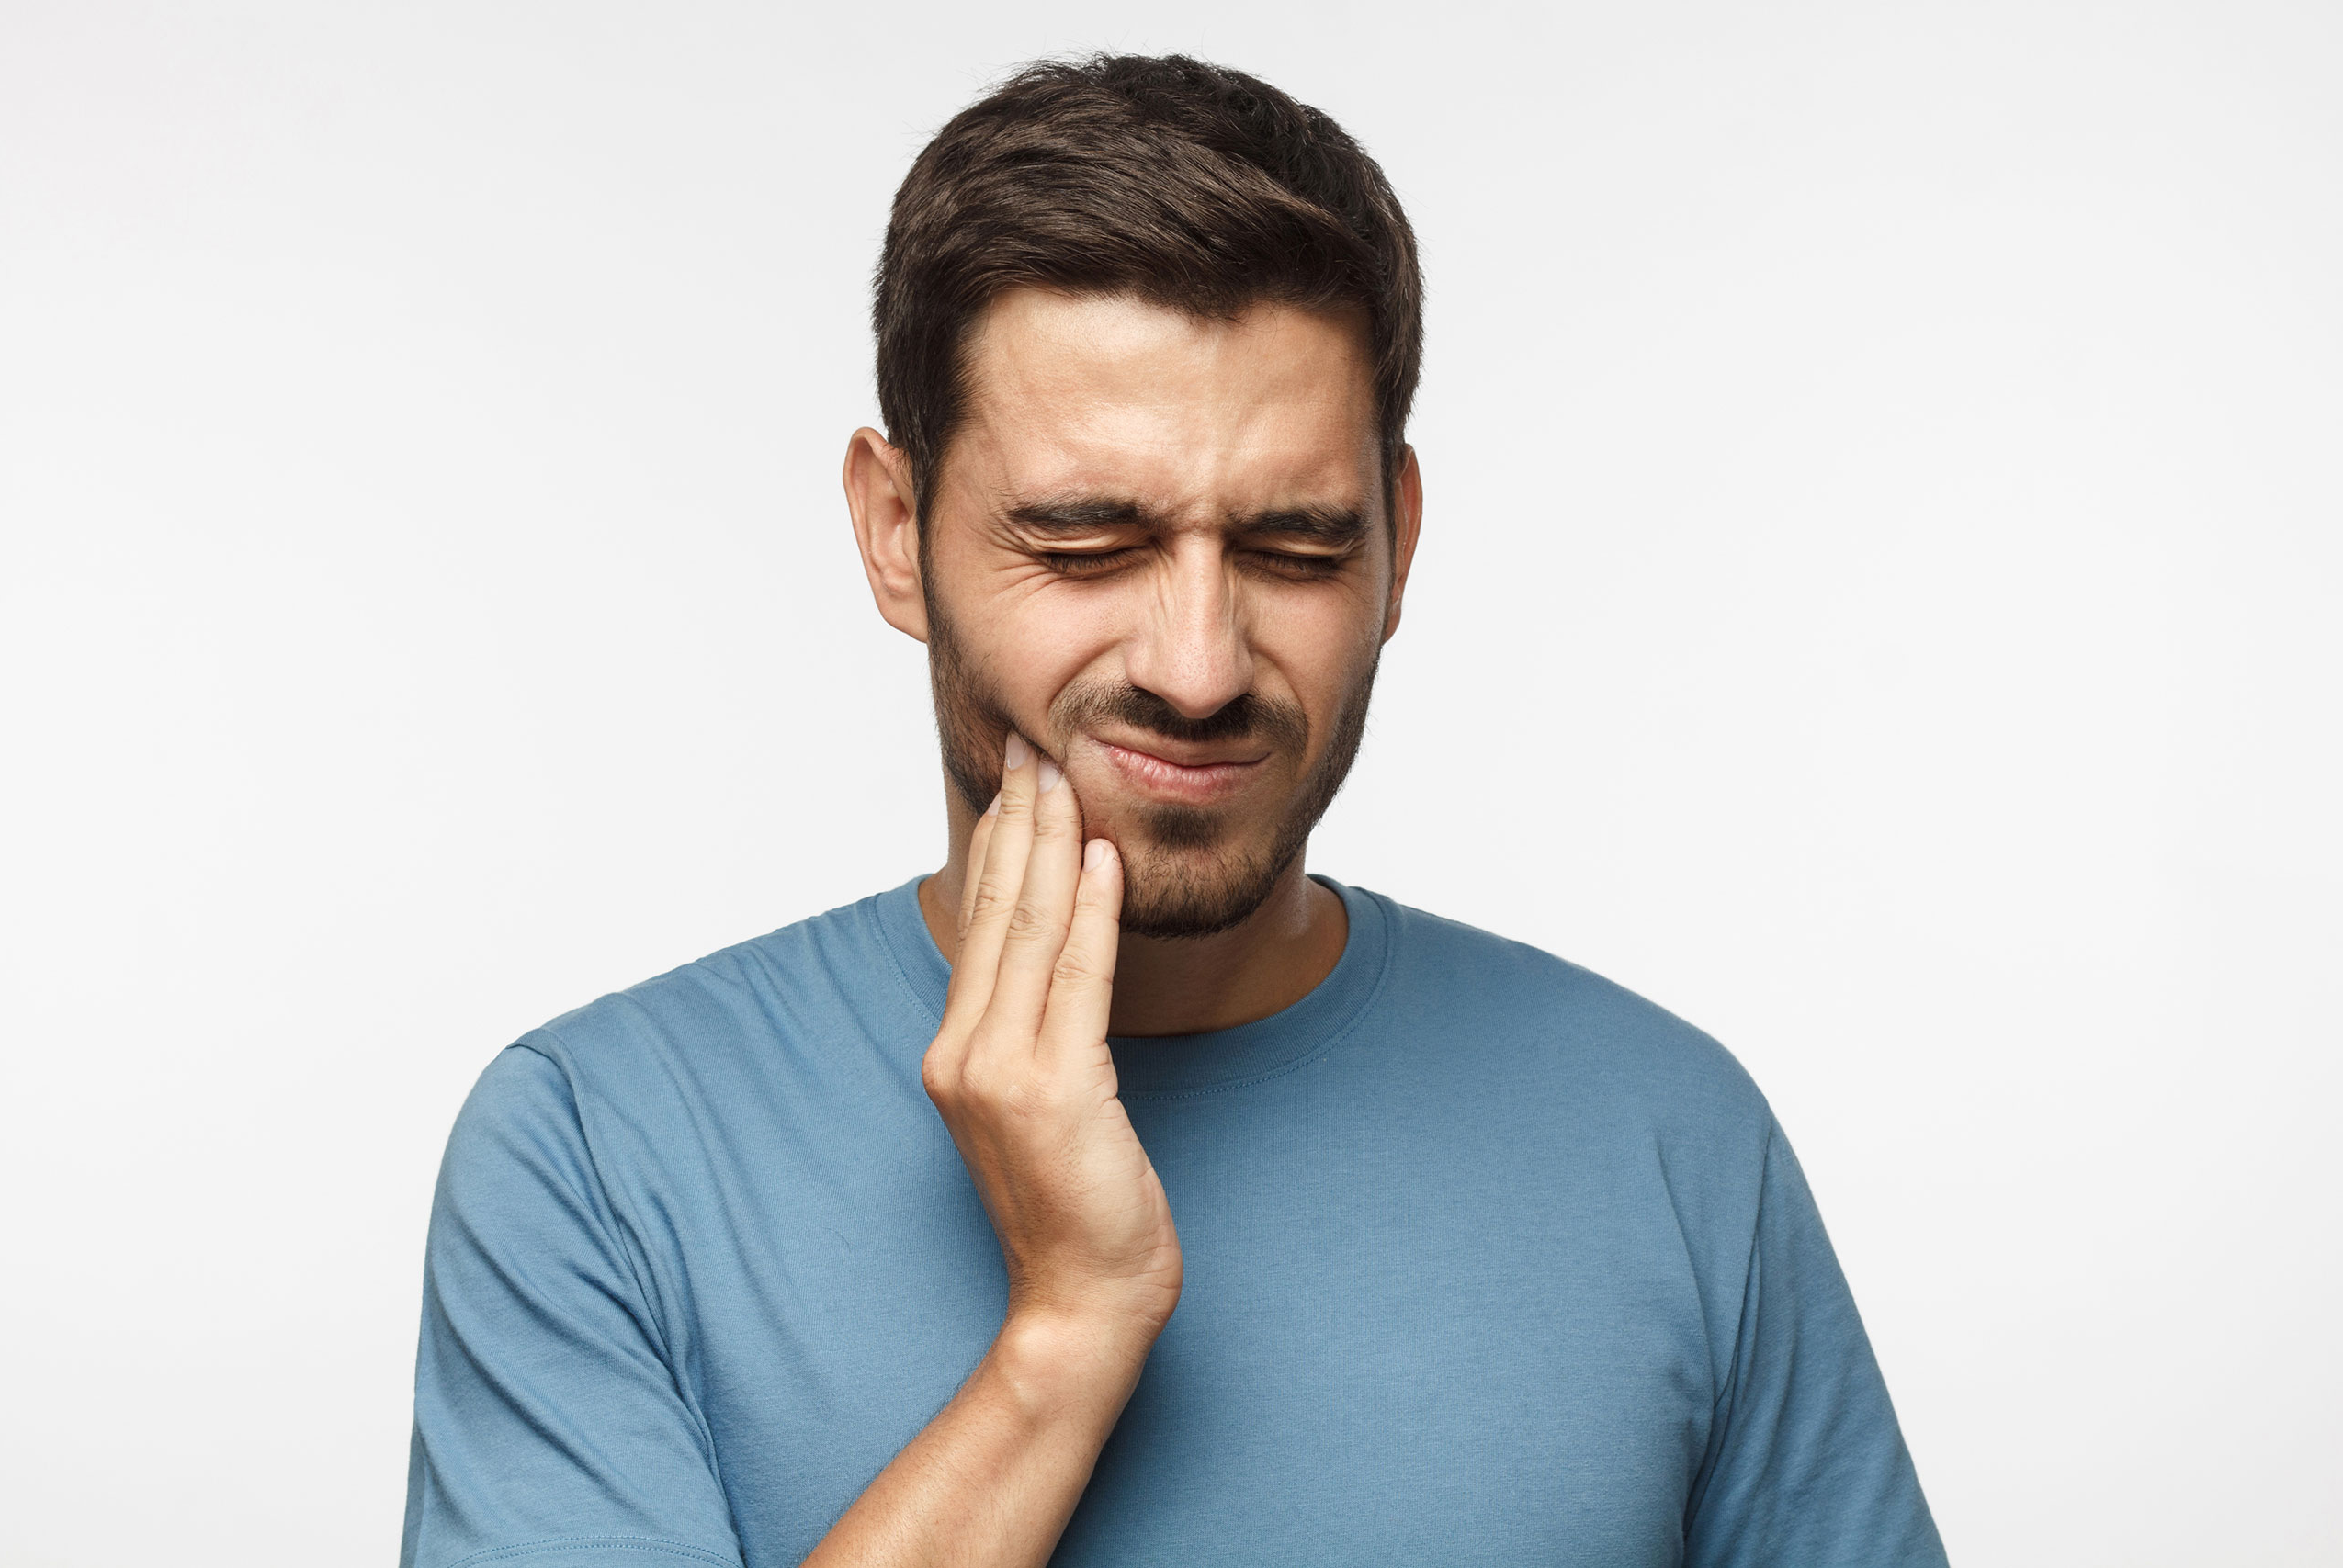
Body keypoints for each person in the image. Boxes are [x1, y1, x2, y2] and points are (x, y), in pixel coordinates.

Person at [401, 53, 1947, 1568]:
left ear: (1398, 542)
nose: (1199, 669)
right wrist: (1065, 1337)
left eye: (1293, 546)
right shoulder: (598, 1155)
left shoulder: (1671, 1139)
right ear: (893, 532)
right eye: (1084, 544)